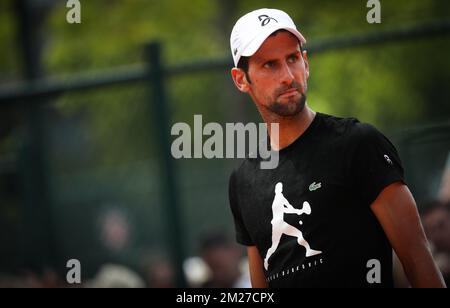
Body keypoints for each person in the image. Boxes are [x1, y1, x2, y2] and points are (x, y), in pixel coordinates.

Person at [227, 8, 446, 288]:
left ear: (305, 63)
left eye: (292, 58)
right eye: (269, 64)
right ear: (241, 79)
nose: (287, 75)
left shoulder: (358, 143)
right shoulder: (243, 181)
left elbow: (418, 259)